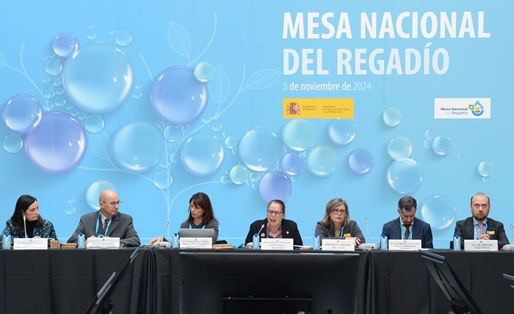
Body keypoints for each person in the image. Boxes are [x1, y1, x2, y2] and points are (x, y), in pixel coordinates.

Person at [68, 189, 140, 247]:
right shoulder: (86, 219)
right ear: (102, 204)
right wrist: (85, 243)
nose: (117, 206)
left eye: (118, 203)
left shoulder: (125, 219)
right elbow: (72, 240)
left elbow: (135, 240)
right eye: (113, 203)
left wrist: (115, 243)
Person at [150, 192, 219, 244]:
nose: (193, 210)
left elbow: (211, 242)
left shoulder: (212, 223)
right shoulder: (185, 225)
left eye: (197, 207)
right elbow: (177, 245)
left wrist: (188, 242)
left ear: (205, 209)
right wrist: (163, 240)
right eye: (191, 206)